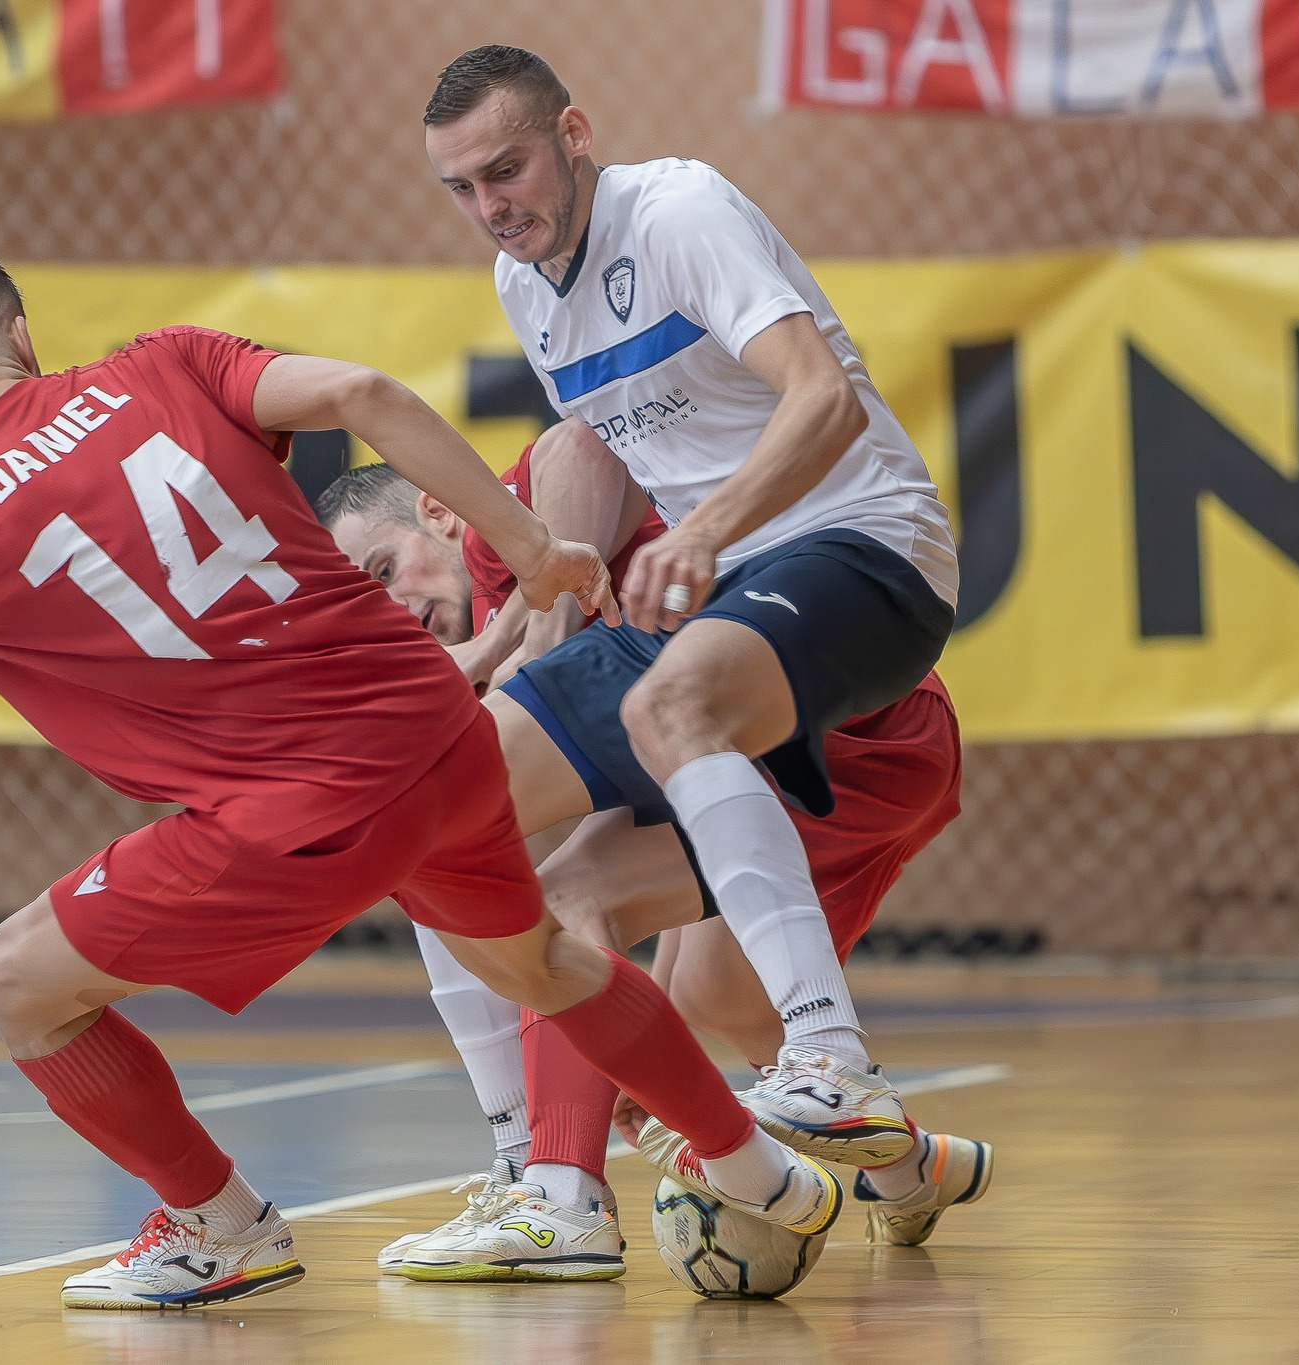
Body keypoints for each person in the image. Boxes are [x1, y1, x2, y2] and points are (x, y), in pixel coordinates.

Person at [0, 242, 847, 1311]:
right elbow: (362, 394)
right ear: (19, 330)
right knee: (542, 960)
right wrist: (529, 548)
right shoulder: (166, 361)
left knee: (15, 984)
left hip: (300, 812)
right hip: (440, 737)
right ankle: (760, 1173)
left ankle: (221, 1228)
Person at [412, 44, 975, 1260]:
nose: (488, 206)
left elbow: (819, 398)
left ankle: (831, 1064)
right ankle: (542, 1187)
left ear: (572, 131)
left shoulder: (675, 208)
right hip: (706, 607)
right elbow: (592, 458)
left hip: (857, 545)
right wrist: (521, 630)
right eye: (459, 188)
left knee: (675, 710)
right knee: (426, 804)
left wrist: (707, 531)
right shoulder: (526, 288)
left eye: (504, 169)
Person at [321, 432, 986, 1280]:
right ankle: (911, 1171)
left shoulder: (502, 541)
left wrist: (537, 644)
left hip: (846, 734)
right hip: (785, 746)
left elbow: (581, 445)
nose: (394, 606)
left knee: (475, 844)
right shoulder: (475, 645)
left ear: (441, 512)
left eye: (384, 570)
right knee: (713, 1005)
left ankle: (552, 1190)